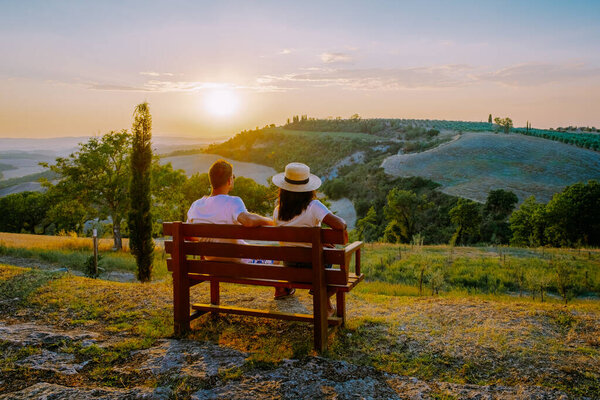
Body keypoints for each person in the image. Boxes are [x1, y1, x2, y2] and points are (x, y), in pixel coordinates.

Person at [271, 162, 347, 316]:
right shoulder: (314, 206)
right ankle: (324, 301)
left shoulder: (277, 211)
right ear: (308, 189)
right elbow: (340, 225)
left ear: (283, 188)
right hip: (315, 271)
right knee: (333, 257)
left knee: (323, 254)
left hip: (289, 269)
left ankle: (321, 303)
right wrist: (322, 239)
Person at [186, 159, 274, 260]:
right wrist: (270, 221)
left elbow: (188, 236)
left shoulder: (195, 206)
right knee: (275, 259)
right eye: (233, 177)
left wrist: (211, 240)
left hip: (212, 266)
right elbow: (248, 221)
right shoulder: (233, 202)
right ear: (229, 180)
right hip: (241, 265)